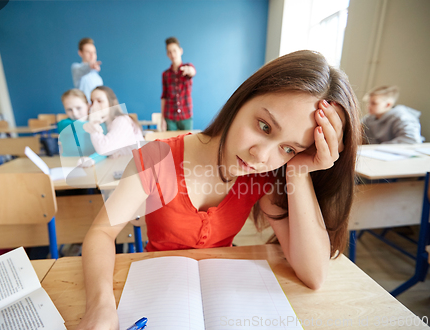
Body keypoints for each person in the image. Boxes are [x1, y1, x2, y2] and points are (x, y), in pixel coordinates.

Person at [75, 50, 361, 330]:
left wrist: (298, 169)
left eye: (288, 148)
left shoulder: (264, 176)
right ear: (243, 98)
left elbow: (314, 274)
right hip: (156, 292)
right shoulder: (157, 159)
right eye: (264, 126)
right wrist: (100, 305)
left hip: (223, 297)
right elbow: (101, 233)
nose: (261, 156)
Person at [84, 86, 144, 158]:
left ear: (110, 102)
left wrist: (94, 124)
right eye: (92, 102)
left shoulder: (122, 120)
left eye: (99, 101)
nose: (94, 106)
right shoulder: (105, 123)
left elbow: (103, 149)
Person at [58, 89, 107, 167]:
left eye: (78, 108)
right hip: (68, 165)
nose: (75, 113)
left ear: (88, 106)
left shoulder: (100, 125)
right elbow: (74, 126)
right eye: (69, 109)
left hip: (94, 165)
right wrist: (87, 125)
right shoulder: (63, 124)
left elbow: (104, 150)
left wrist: (92, 159)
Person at [160, 37, 196, 131]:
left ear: (180, 51)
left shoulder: (188, 67)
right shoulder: (165, 74)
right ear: (167, 54)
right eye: (169, 52)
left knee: (187, 143)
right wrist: (162, 118)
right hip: (170, 117)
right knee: (171, 145)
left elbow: (192, 71)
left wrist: (189, 70)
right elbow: (164, 96)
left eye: (174, 50)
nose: (172, 54)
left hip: (186, 115)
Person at [71, 38, 104, 102]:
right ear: (80, 53)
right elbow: (83, 69)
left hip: (97, 109)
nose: (92, 55)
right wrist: (90, 66)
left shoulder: (97, 76)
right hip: (85, 109)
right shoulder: (76, 68)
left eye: (94, 52)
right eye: (88, 52)